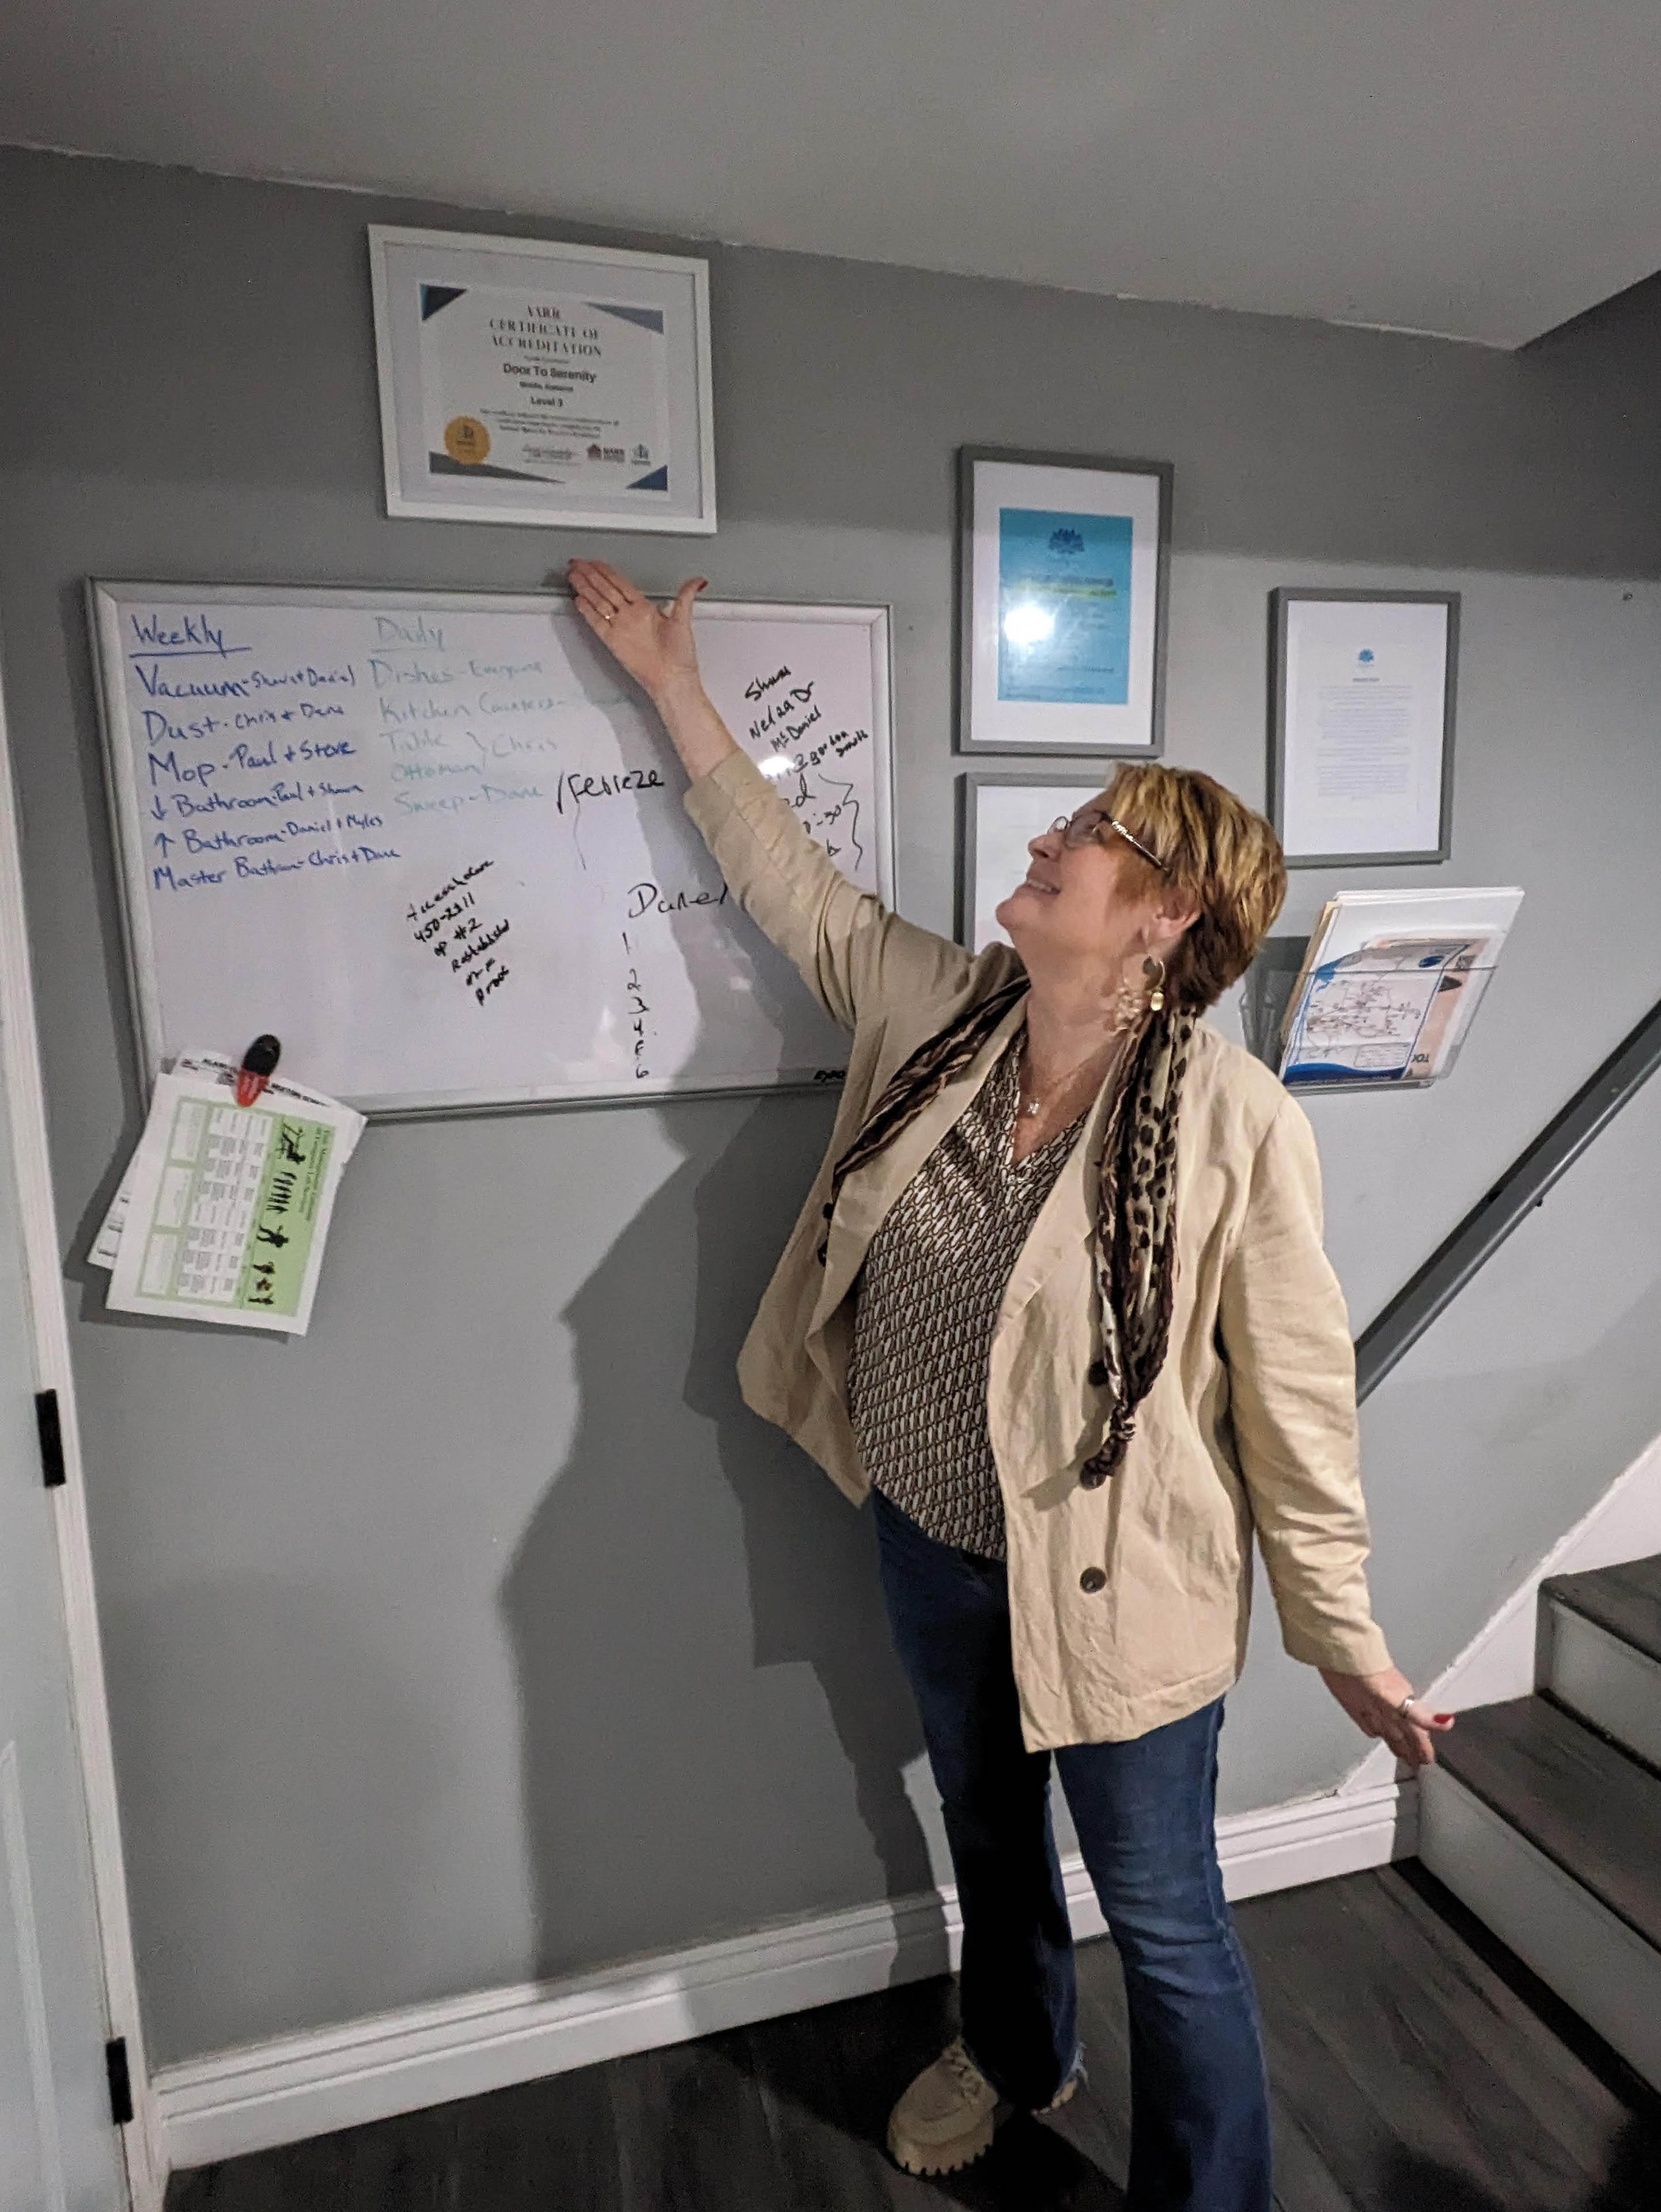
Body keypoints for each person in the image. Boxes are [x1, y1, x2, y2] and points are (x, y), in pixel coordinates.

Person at [566, 559, 1453, 2209]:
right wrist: (673, 688)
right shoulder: (950, 1018)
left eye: (1093, 836)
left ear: (1166, 916)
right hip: (928, 1539)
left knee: (1166, 1920)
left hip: (1125, 1584)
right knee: (988, 1835)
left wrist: (1345, 1640)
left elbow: (1297, 1408)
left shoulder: (1234, 1122)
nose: (1051, 840)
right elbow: (801, 895)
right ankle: (1017, 2047)